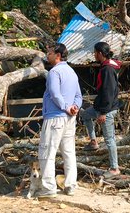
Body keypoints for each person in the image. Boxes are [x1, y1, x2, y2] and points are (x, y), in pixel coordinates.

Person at [37, 43, 82, 198]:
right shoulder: (72, 72)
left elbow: (55, 94)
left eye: (49, 53)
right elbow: (79, 96)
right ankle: (70, 185)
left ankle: (49, 188)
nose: (47, 55)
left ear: (57, 55)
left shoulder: (54, 72)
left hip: (55, 117)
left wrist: (66, 107)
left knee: (47, 152)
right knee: (69, 153)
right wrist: (75, 107)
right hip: (70, 119)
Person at [79, 41, 121, 178]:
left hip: (106, 109)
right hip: (100, 106)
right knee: (85, 115)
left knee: (109, 139)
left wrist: (103, 113)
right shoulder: (106, 66)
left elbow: (108, 92)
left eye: (95, 53)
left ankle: (114, 168)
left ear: (101, 53)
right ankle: (93, 142)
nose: (94, 55)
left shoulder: (107, 70)